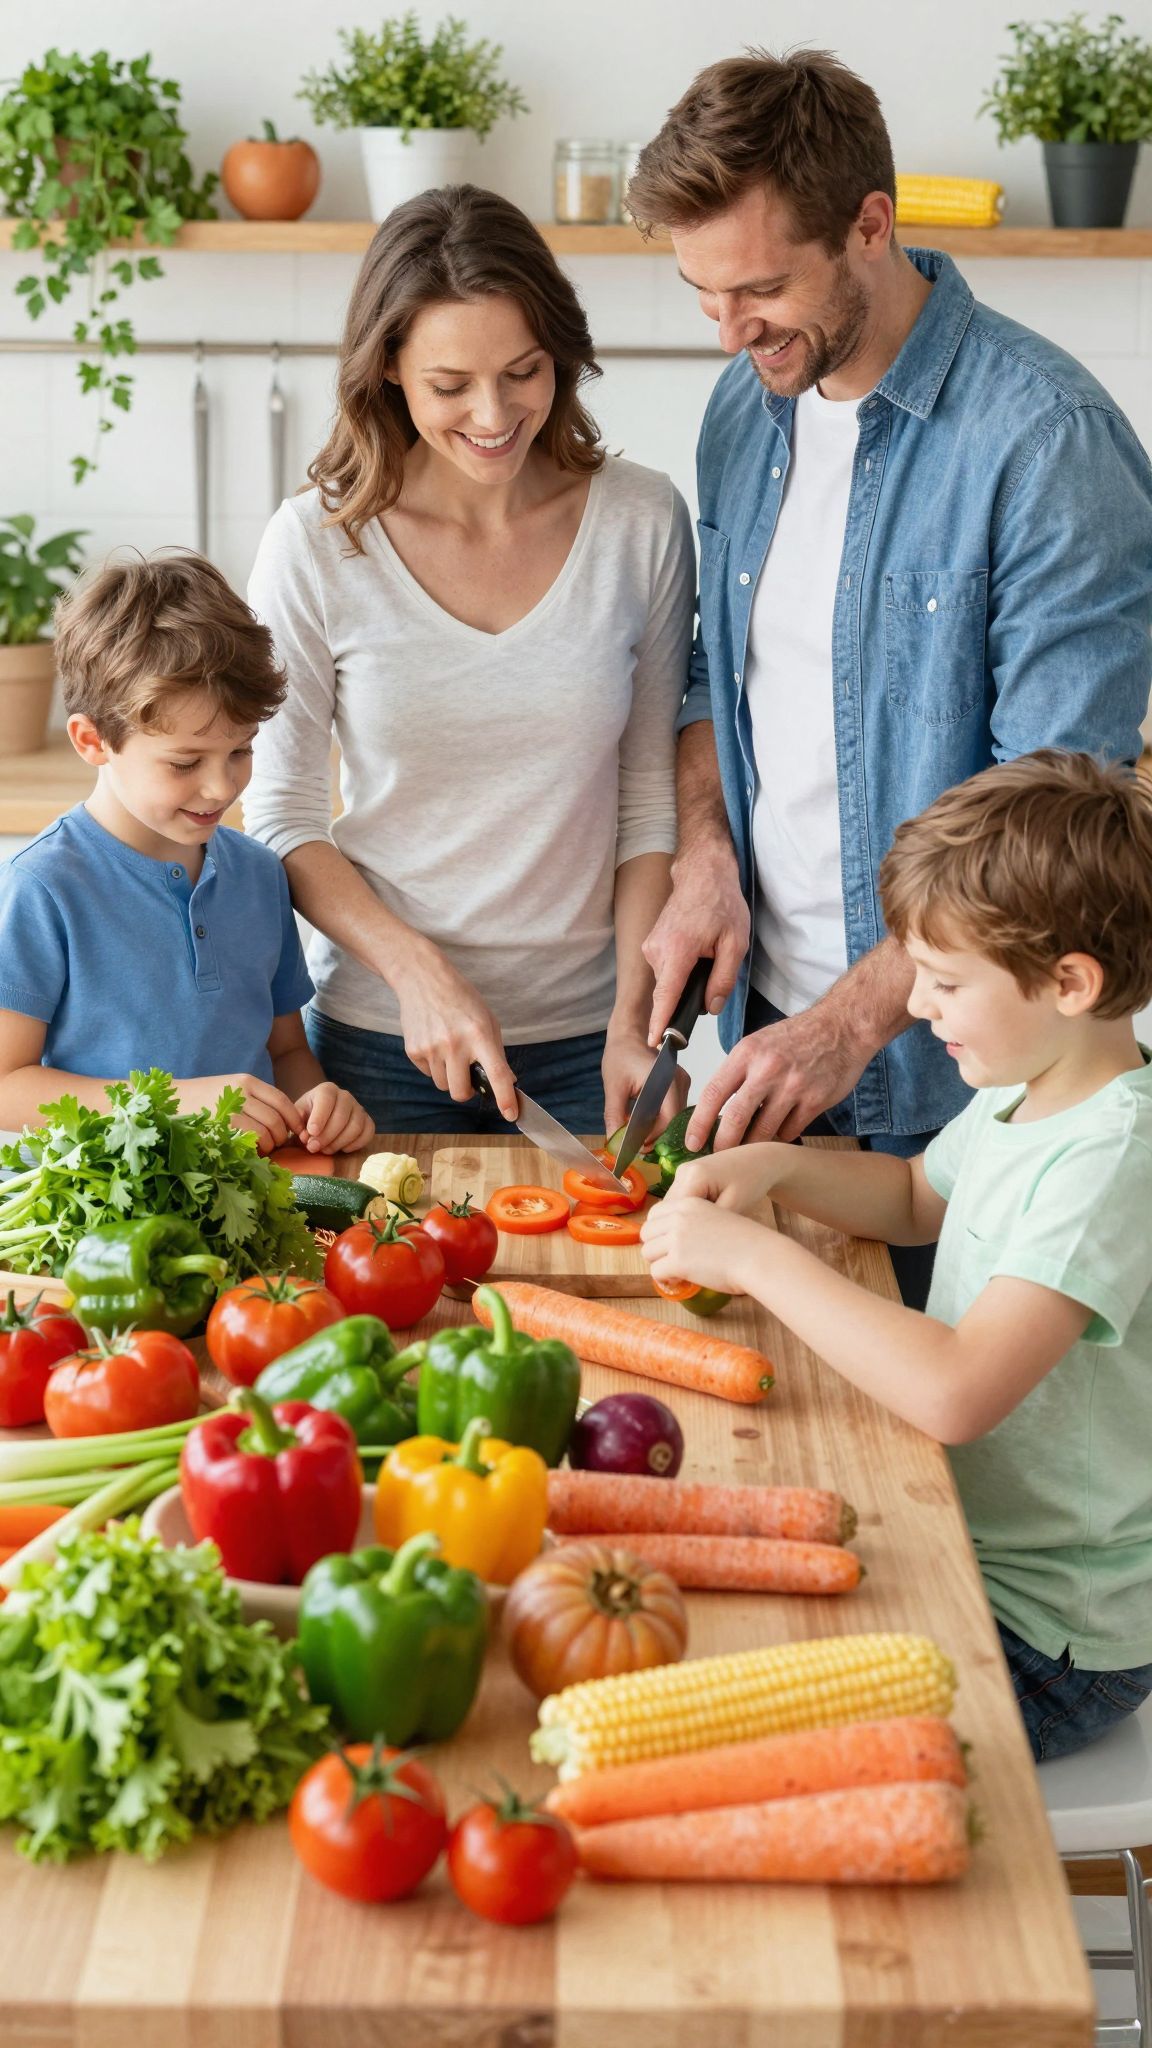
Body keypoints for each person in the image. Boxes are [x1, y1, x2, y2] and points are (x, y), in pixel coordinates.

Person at [625, 49, 1152, 1297]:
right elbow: (712, 674)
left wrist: (852, 1021)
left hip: (954, 1078)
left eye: (761, 288)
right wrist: (706, 856)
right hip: (769, 1042)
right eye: (704, 293)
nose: (730, 331)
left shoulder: (1048, 444)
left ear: (872, 224)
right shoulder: (745, 407)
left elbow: (1046, 829)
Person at [641, 750, 1152, 1763]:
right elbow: (918, 1199)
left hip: (1046, 1632)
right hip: (959, 1538)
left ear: (1069, 982)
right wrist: (776, 1166)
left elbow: (956, 1391)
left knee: (735, 1730)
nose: (917, 1005)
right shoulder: (1027, 1089)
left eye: (947, 982)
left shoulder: (1112, 1157)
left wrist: (757, 1259)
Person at [245, 183, 694, 1138]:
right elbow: (281, 818)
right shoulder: (315, 545)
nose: (494, 414)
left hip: (594, 1045)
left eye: (523, 372)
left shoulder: (642, 521)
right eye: (450, 386)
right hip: (383, 1044)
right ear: (389, 370)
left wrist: (635, 1022)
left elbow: (647, 799)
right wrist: (419, 974)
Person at [0, 554, 374, 1157]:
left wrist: (318, 1105)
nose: (222, 788)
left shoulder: (259, 874)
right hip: (96, 1205)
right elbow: (6, 1085)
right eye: (184, 763)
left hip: (249, 1190)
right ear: (93, 740)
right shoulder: (43, 885)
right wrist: (172, 1103)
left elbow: (284, 1050)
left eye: (240, 751)